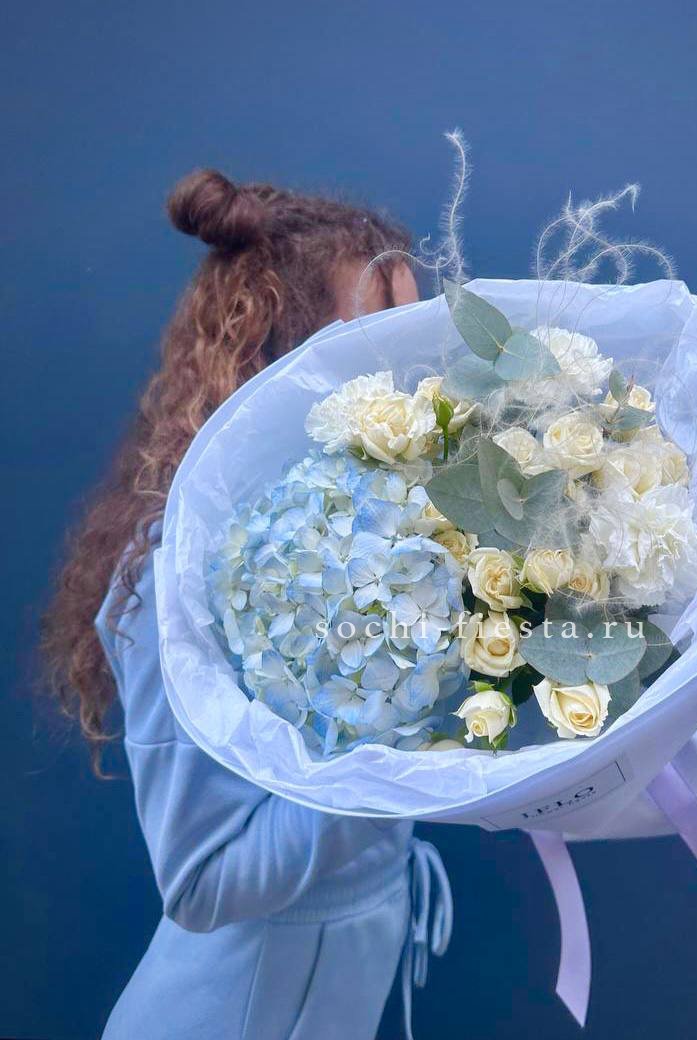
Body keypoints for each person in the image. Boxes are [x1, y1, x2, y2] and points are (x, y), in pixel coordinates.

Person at [41, 169, 449, 1040]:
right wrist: (404, 739)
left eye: (417, 334)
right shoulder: (173, 569)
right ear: (275, 355)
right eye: (375, 345)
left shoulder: (390, 529)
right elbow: (202, 882)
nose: (412, 376)